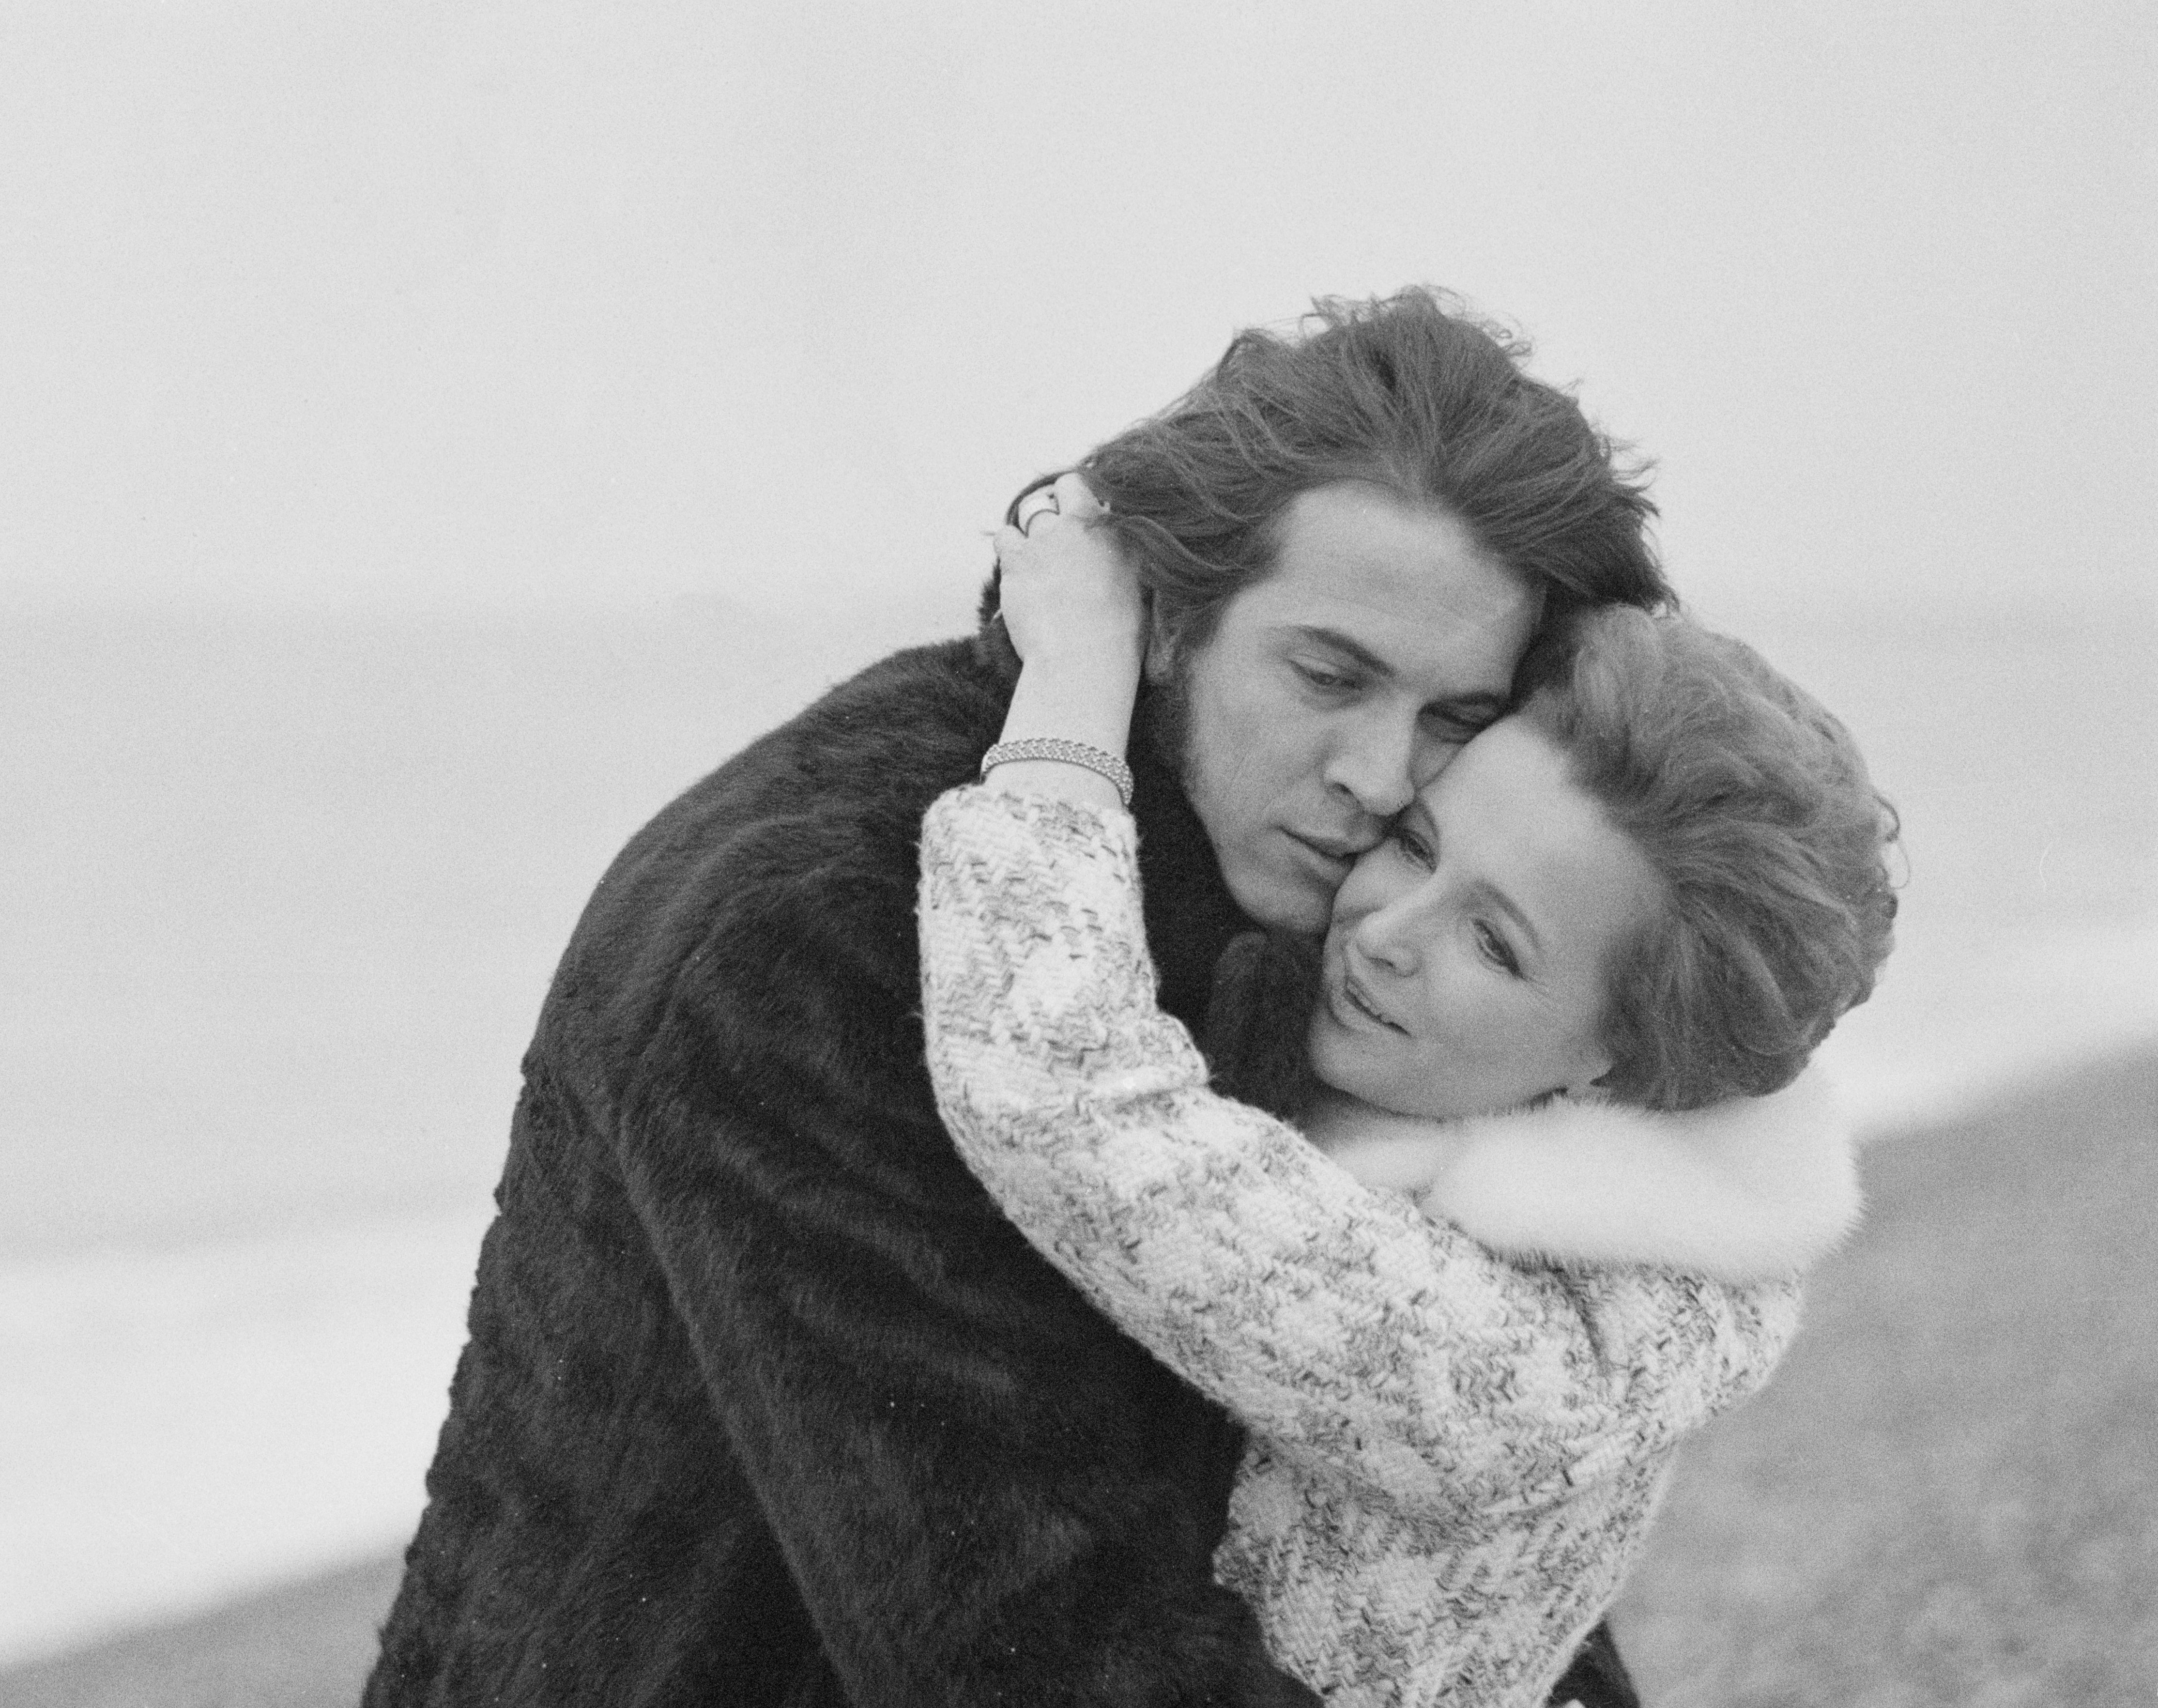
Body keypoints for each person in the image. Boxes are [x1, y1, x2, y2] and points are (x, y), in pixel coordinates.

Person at [363, 291, 1670, 1707]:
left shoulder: (1338, 922)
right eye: (1328, 675)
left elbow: (1439, 1527)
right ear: (1166, 624)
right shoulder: (817, 920)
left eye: (1455, 719)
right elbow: (1022, 1643)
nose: (1376, 773)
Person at [915, 489, 1898, 1706]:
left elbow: (1066, 1100)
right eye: (1420, 845)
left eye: (1494, 945)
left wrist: (1076, 688)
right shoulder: (1562, 1195)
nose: (1384, 930)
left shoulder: (1518, 1361)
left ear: (1618, 1065)